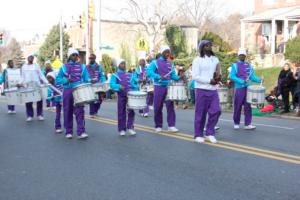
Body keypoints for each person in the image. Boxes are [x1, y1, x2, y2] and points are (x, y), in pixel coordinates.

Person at [146, 45, 184, 133]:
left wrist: (179, 77)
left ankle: (171, 125)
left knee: (170, 106)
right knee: (158, 107)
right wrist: (158, 76)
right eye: (166, 52)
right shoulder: (155, 62)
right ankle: (158, 125)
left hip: (169, 87)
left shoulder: (170, 64)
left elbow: (173, 76)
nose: (167, 54)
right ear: (161, 52)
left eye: (169, 52)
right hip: (159, 86)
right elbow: (148, 71)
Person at [56, 48, 90, 139]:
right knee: (68, 111)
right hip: (67, 90)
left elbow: (87, 78)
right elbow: (57, 79)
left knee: (80, 111)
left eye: (76, 55)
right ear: (69, 56)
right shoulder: (63, 67)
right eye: (73, 55)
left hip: (78, 90)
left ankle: (81, 131)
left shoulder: (82, 67)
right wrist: (66, 80)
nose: (75, 56)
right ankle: (68, 131)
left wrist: (91, 80)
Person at [192, 40, 221, 144]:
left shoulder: (215, 59)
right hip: (201, 90)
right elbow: (195, 76)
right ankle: (198, 134)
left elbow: (218, 72)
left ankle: (209, 133)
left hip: (213, 90)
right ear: (202, 47)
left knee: (216, 111)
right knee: (201, 113)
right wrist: (209, 81)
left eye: (210, 45)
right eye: (207, 45)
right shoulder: (197, 60)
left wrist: (218, 78)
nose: (210, 47)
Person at [230, 48, 263, 130]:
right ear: (238, 56)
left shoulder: (249, 65)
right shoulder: (234, 65)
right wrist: (241, 81)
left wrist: (259, 79)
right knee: (237, 106)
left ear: (245, 56)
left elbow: (252, 77)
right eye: (240, 55)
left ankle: (247, 124)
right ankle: (236, 123)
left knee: (248, 106)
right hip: (239, 89)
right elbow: (232, 76)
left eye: (243, 55)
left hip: (248, 89)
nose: (242, 56)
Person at [110, 59, 138, 136]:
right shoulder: (115, 75)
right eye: (122, 63)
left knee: (131, 111)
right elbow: (112, 84)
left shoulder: (129, 74)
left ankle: (130, 127)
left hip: (130, 95)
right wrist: (118, 86)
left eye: (124, 63)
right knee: (121, 112)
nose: (124, 65)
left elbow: (132, 85)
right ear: (118, 65)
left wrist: (137, 89)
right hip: (121, 95)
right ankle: (121, 129)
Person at [19, 55, 49, 121]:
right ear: (27, 59)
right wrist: (19, 83)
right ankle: (29, 115)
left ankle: (40, 115)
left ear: (33, 59)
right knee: (28, 101)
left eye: (32, 58)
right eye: (29, 57)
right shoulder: (24, 67)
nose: (31, 58)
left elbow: (41, 75)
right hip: (28, 86)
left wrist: (46, 82)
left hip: (37, 85)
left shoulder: (36, 65)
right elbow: (22, 77)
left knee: (39, 100)